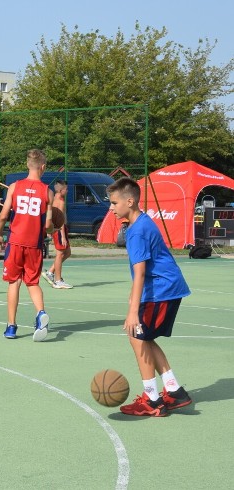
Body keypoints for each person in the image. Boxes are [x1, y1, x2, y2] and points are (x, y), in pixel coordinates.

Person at [107, 177, 192, 417]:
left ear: (130, 201)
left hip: (161, 290)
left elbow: (141, 271)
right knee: (146, 338)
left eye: (114, 203)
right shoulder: (142, 222)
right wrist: (135, 298)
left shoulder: (137, 232)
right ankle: (174, 391)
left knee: (137, 336)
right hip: (164, 289)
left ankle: (152, 399)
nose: (111, 208)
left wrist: (133, 311)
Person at [0, 149, 53, 341]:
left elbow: (3, 215)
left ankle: (11, 326)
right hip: (34, 244)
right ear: (43, 167)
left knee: (14, 282)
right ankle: (40, 312)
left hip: (15, 241)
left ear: (27, 165)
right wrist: (53, 229)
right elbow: (49, 226)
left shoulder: (14, 186)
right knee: (33, 282)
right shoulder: (47, 191)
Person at [42, 180, 73, 289]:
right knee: (60, 254)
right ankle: (58, 280)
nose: (67, 191)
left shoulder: (55, 199)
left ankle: (50, 272)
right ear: (61, 190)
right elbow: (59, 219)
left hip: (59, 229)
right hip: (60, 229)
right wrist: (62, 235)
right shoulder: (59, 202)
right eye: (66, 189)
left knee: (68, 252)